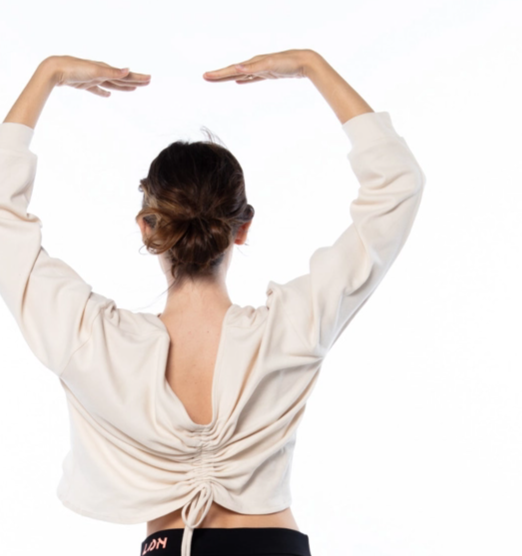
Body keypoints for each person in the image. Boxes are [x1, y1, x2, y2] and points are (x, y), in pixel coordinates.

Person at [0, 49, 425, 556]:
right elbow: (398, 185)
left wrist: (47, 74)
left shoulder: (93, 341)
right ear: (242, 227)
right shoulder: (294, 326)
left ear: (147, 227)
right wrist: (312, 66)